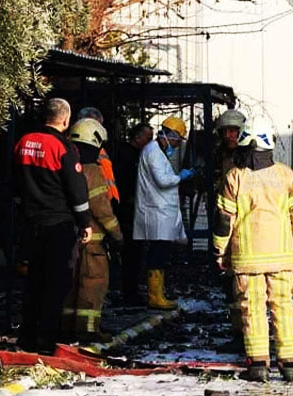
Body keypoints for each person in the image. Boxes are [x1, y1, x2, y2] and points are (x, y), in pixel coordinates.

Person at [213, 120, 293, 383]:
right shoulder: (285, 175)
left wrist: (219, 250)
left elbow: (223, 219)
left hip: (247, 259)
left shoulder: (235, 176)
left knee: (252, 309)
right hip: (281, 256)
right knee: (284, 308)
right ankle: (289, 363)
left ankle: (258, 365)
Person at [13, 98, 91, 354]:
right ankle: (46, 341)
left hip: (29, 223)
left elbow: (14, 183)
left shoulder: (23, 142)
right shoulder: (63, 147)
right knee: (55, 283)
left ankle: (26, 336)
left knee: (33, 280)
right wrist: (85, 224)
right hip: (58, 225)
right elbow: (76, 190)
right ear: (66, 121)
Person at [60, 118, 123, 342]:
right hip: (93, 243)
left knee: (71, 285)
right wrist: (117, 235)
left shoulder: (66, 166)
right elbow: (102, 210)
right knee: (92, 285)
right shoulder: (93, 171)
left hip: (70, 239)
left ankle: (67, 327)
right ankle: (88, 330)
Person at [134, 116, 195, 310]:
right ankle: (155, 297)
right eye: (177, 140)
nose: (177, 145)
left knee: (160, 254)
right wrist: (180, 177)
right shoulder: (153, 152)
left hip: (159, 212)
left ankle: (158, 294)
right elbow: (162, 180)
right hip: (156, 213)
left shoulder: (156, 152)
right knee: (158, 254)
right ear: (170, 136)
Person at [213, 109, 246, 349]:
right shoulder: (220, 156)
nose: (230, 135)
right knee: (228, 281)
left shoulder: (249, 157)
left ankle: (246, 332)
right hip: (226, 222)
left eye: (234, 131)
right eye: (226, 131)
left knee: (244, 283)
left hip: (245, 226)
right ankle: (238, 330)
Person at [112, 123, 154, 304]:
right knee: (132, 252)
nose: (150, 142)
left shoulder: (134, 154)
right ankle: (129, 292)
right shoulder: (128, 155)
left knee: (134, 253)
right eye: (148, 137)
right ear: (137, 138)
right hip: (128, 211)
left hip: (133, 209)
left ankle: (130, 289)